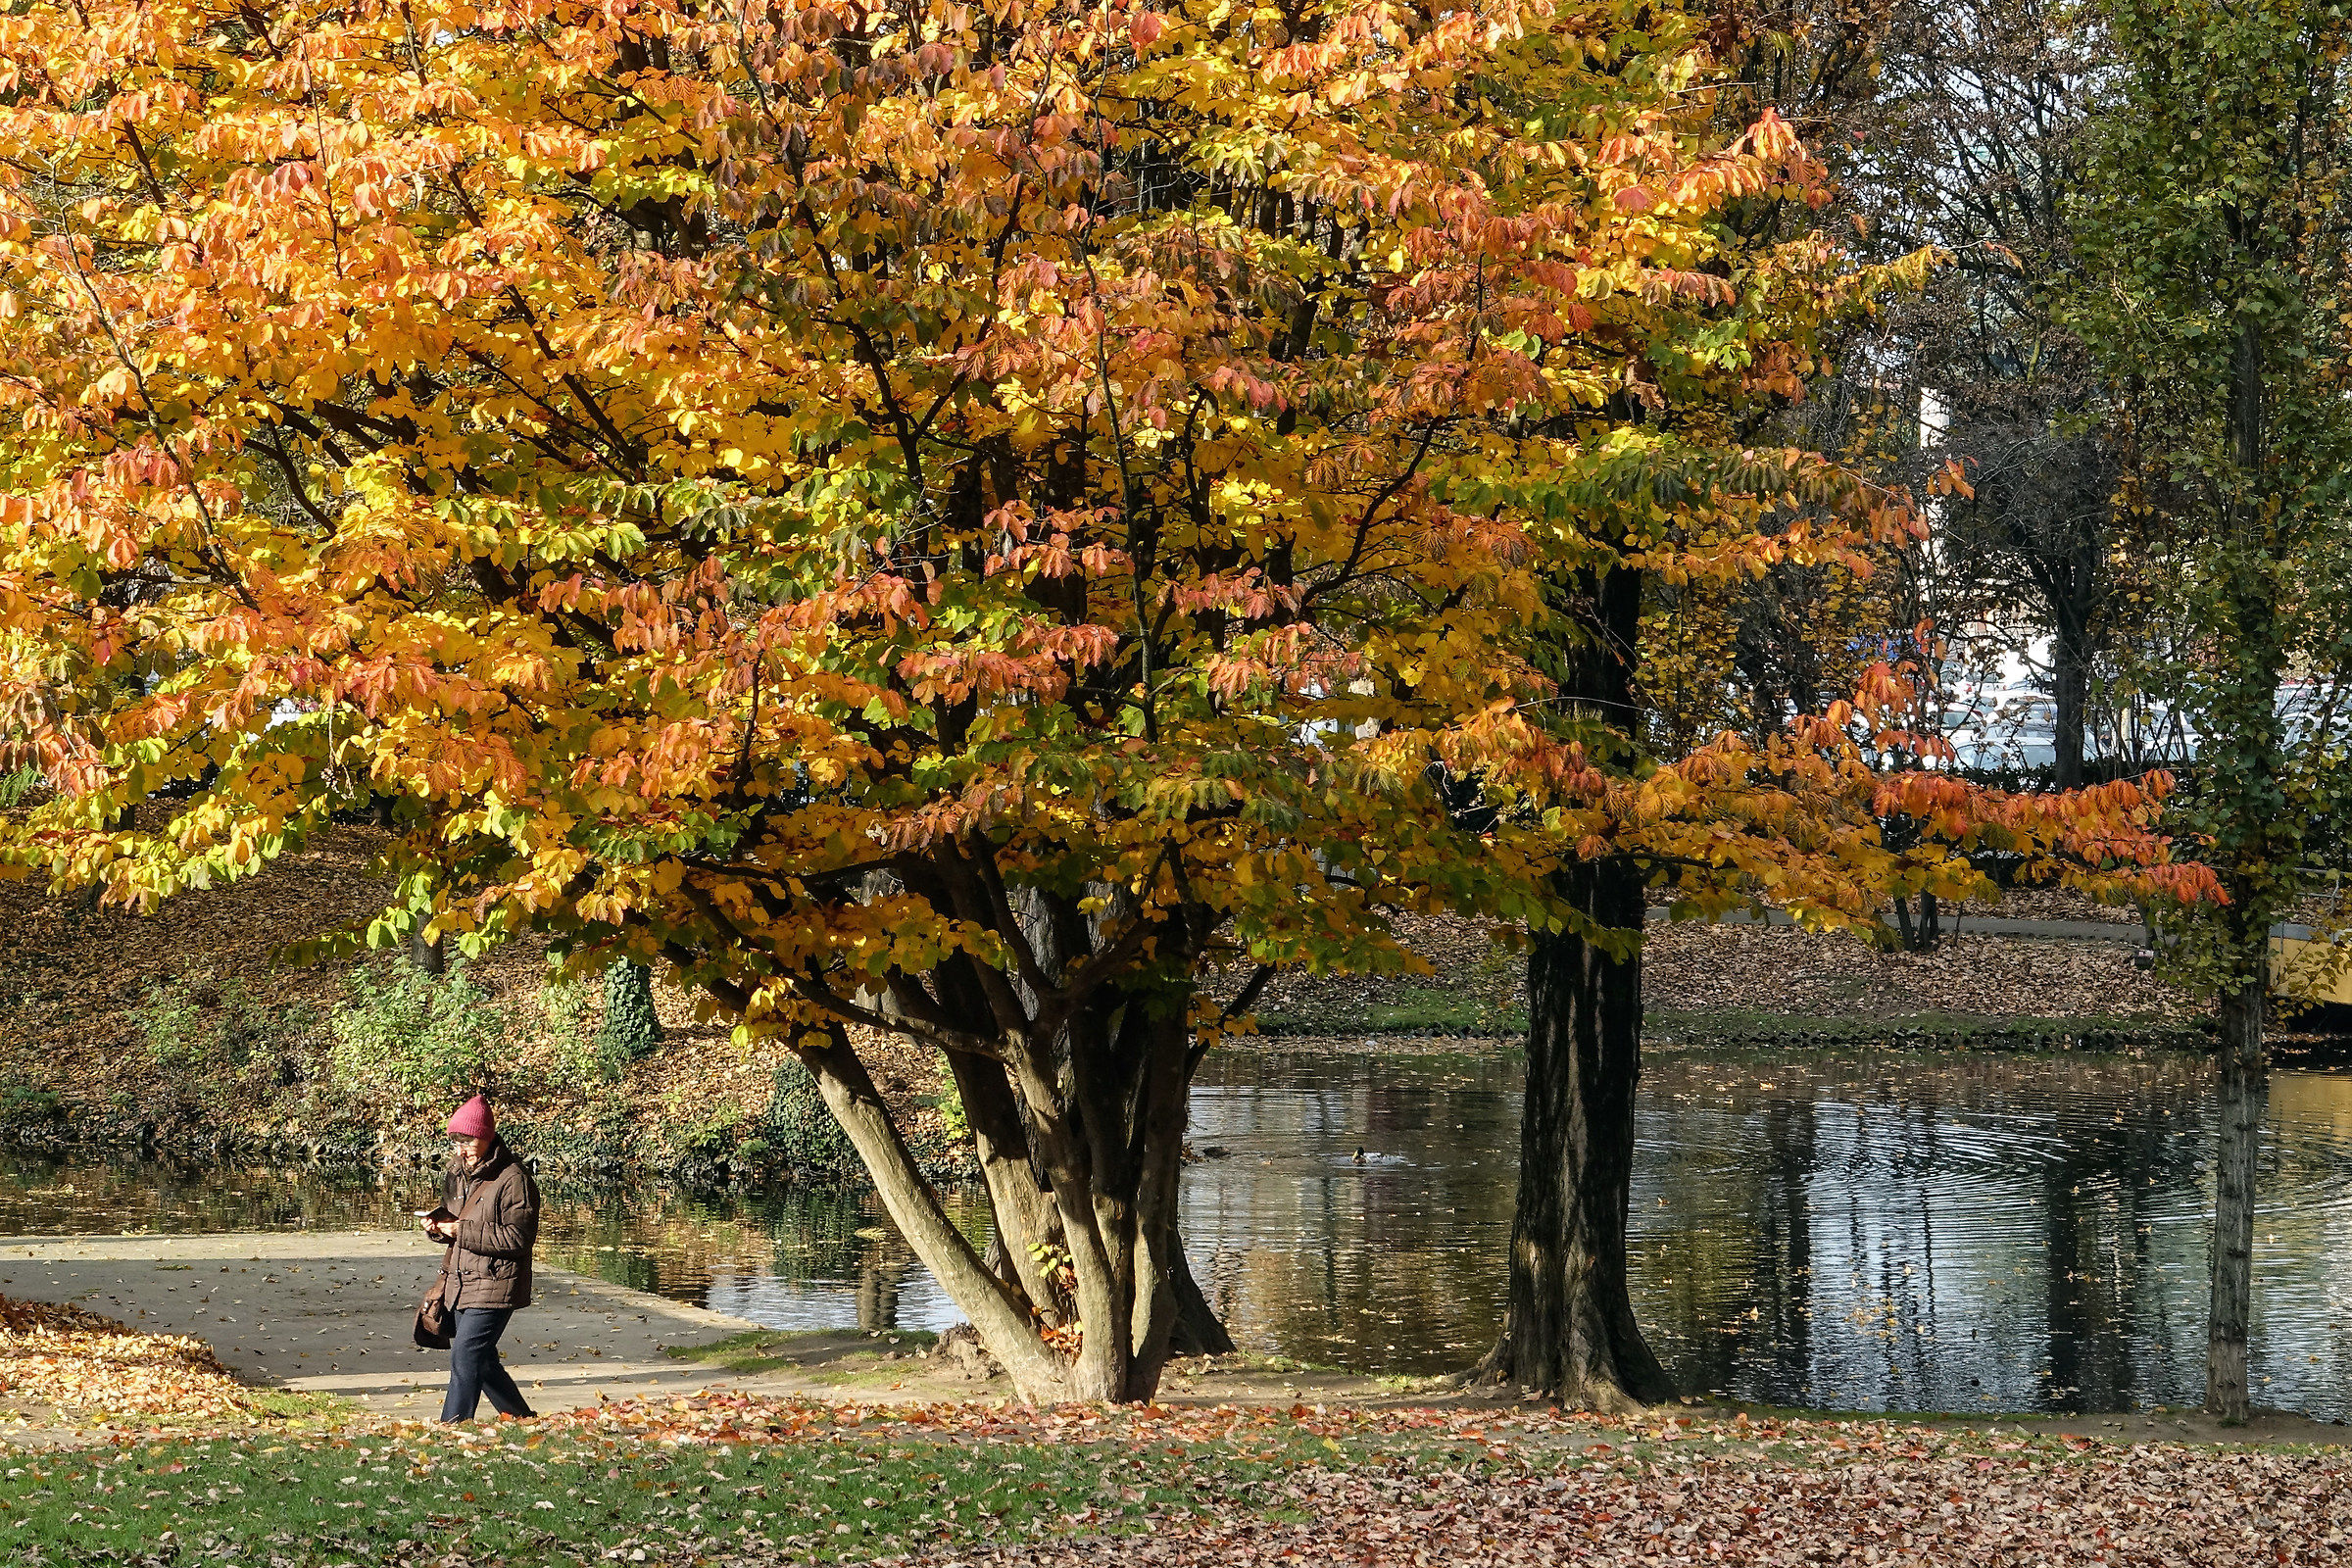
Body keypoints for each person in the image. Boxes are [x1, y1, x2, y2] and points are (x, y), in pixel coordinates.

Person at [424, 1095, 540, 1422]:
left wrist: (460, 1230)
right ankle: (521, 1418)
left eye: (467, 1141)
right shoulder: (458, 1172)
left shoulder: (514, 1179)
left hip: (497, 1282)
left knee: (465, 1355)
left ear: (486, 1137)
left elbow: (518, 1239)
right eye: (455, 1142)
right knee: (482, 1358)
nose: (461, 1150)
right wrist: (438, 1227)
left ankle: (452, 1427)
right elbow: (459, 1221)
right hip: (460, 1281)